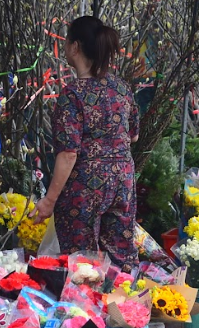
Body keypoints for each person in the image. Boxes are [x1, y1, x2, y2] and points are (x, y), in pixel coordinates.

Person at [31, 15, 140, 266]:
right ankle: (126, 303)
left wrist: (49, 201)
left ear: (75, 46)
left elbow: (69, 153)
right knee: (121, 255)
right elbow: (133, 135)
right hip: (122, 181)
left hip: (85, 188)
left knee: (83, 262)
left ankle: (85, 304)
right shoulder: (122, 88)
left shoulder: (73, 95)